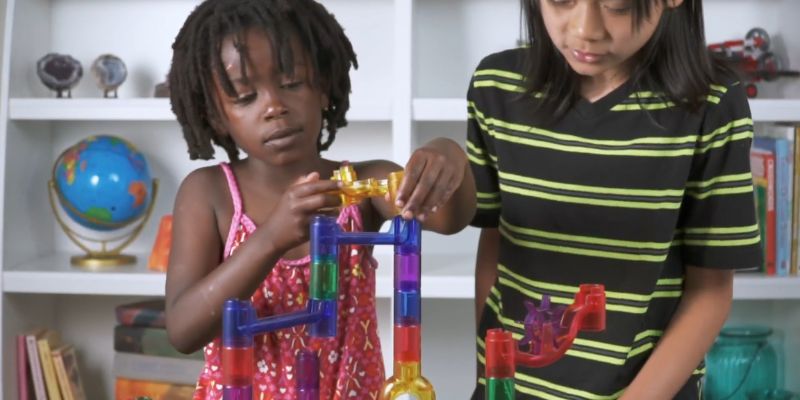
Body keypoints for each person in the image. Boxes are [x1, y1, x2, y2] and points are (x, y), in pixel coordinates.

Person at [163, 1, 476, 399]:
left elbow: (451, 217)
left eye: (292, 82)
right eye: (245, 96)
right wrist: (271, 237)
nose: (274, 106)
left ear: (324, 85)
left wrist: (448, 153)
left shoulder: (362, 184)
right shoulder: (208, 192)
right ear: (216, 116)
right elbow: (183, 330)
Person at [467, 0, 761, 399]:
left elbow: (709, 291)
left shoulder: (713, 104)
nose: (587, 29)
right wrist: (493, 374)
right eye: (561, 1)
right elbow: (498, 241)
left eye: (618, 6)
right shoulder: (496, 87)